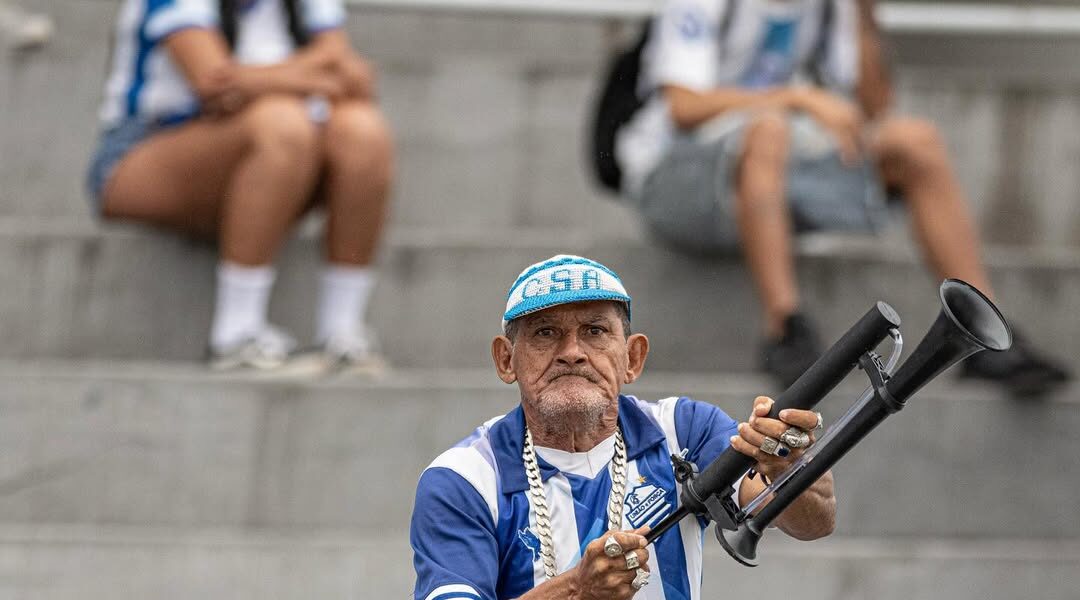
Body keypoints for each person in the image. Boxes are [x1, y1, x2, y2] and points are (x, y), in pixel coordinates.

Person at [613, 0, 1070, 396]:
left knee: (917, 144)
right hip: (676, 181)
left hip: (774, 170)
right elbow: (682, 106)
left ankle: (981, 334)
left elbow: (873, 108)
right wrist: (797, 98)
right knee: (768, 130)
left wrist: (863, 14)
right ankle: (785, 330)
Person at [410, 255, 836, 599]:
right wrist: (578, 590)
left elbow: (812, 522)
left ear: (633, 357)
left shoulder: (684, 432)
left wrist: (789, 470)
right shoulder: (463, 479)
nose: (572, 352)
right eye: (545, 332)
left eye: (595, 330)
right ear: (506, 360)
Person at [87, 0, 392, 373]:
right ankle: (236, 333)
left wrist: (252, 79)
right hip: (148, 151)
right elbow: (210, 78)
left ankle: (342, 333)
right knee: (283, 125)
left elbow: (348, 69)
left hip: (279, 147)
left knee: (363, 132)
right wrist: (317, 75)